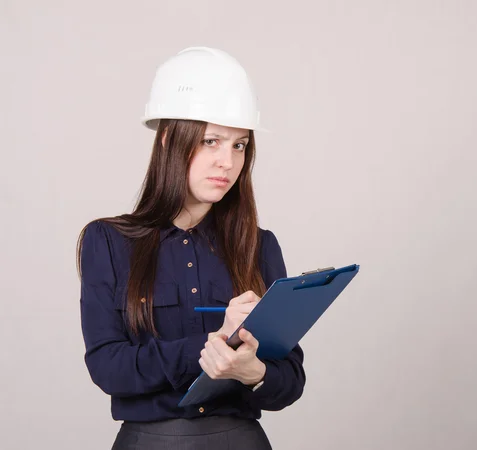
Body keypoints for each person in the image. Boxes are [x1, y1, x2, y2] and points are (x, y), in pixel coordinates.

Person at [77, 47, 306, 450]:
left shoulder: (259, 246)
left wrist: (252, 371)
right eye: (211, 141)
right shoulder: (109, 241)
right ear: (168, 140)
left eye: (239, 145)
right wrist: (211, 343)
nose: (227, 162)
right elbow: (107, 367)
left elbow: (289, 379)